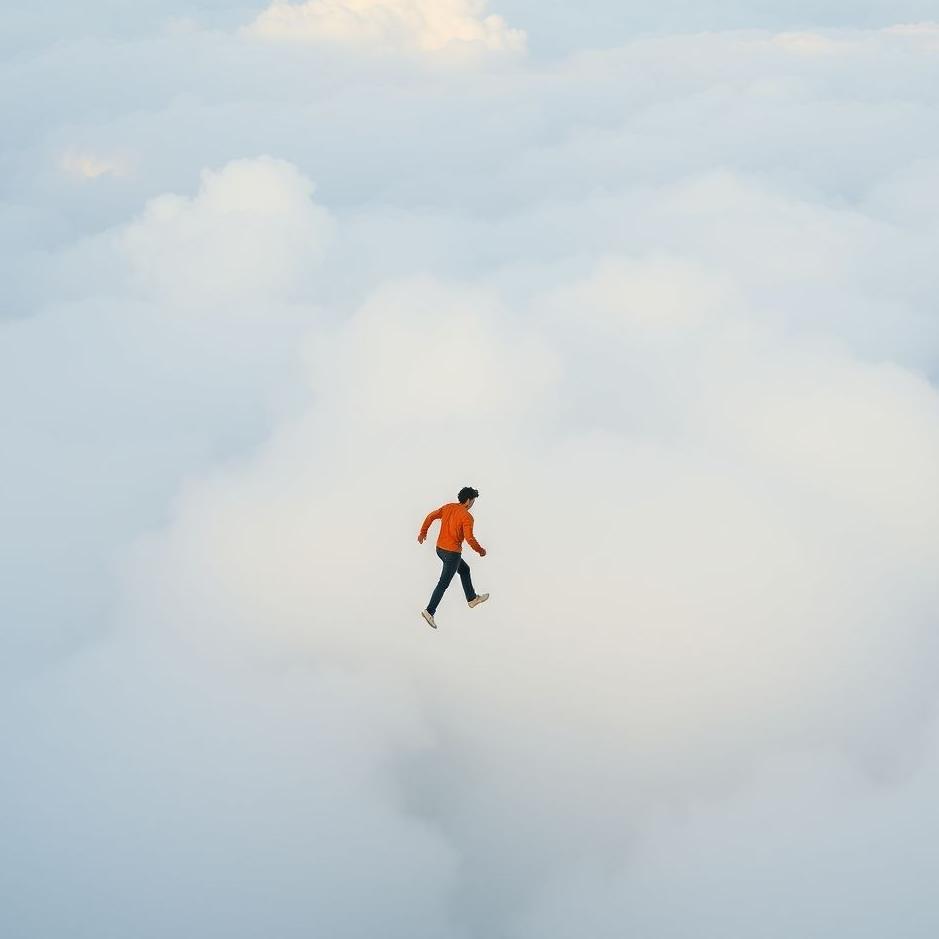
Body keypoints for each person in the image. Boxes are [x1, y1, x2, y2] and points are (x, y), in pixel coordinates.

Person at [418, 486, 489, 629]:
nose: (473, 503)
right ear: (468, 501)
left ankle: (472, 599)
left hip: (440, 550)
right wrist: (480, 550)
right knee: (443, 584)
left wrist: (423, 532)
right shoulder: (467, 517)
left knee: (464, 570)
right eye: (473, 500)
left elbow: (431, 516)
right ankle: (429, 611)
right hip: (452, 554)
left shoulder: (448, 507)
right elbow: (470, 538)